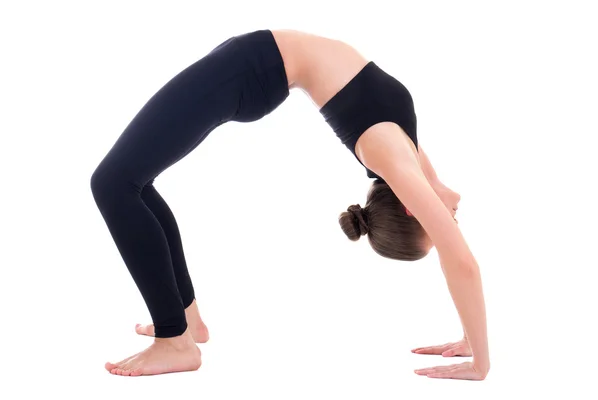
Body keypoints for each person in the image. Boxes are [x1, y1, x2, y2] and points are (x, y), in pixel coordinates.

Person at [91, 29, 489, 380]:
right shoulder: (408, 155)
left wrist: (481, 364)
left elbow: (462, 265)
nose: (449, 224)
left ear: (409, 207)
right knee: (134, 184)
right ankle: (187, 322)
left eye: (438, 228)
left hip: (249, 70)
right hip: (252, 65)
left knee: (113, 183)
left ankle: (175, 341)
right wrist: (471, 344)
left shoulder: (391, 157)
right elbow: (454, 243)